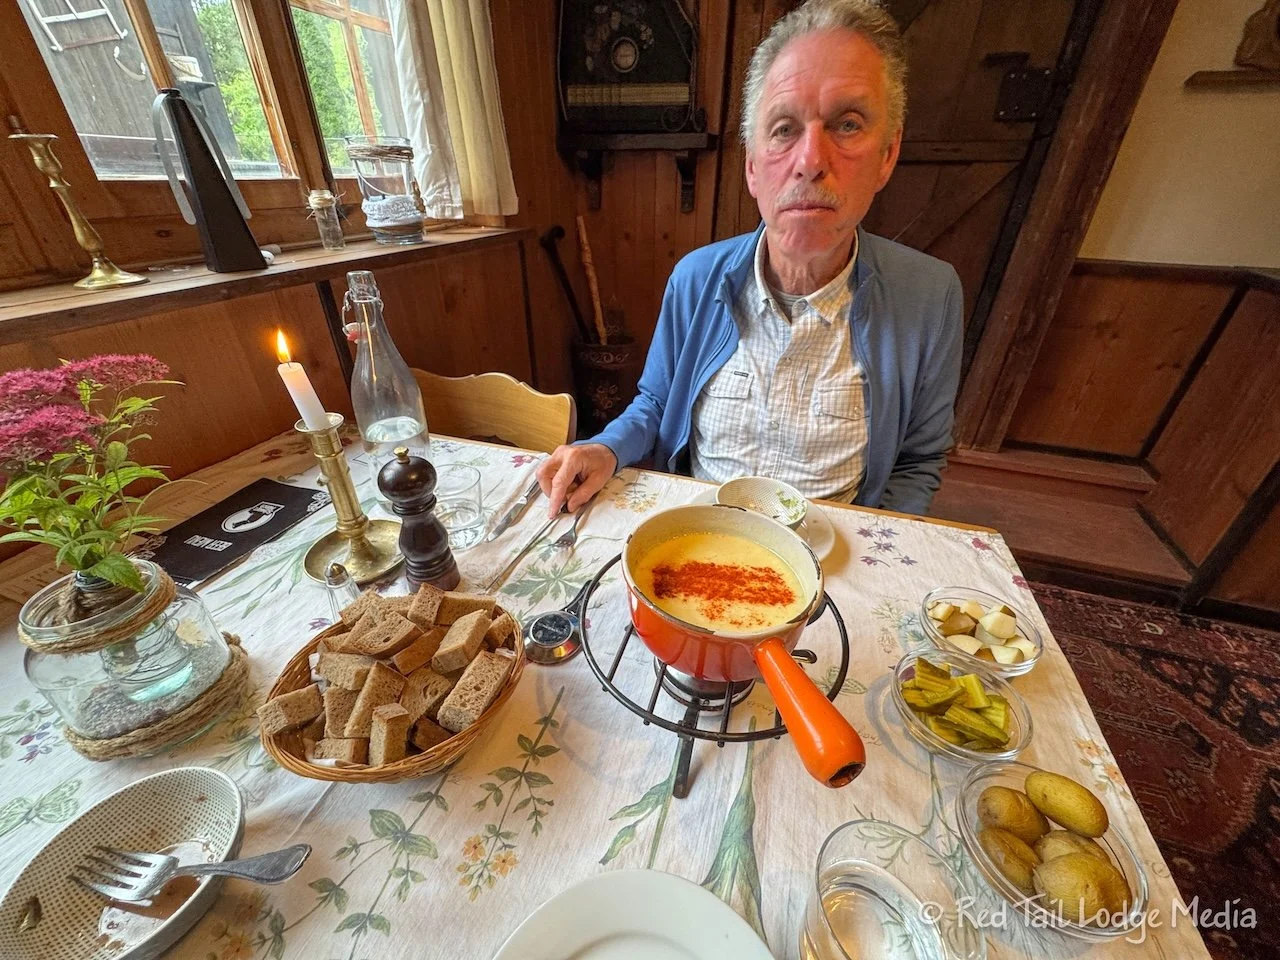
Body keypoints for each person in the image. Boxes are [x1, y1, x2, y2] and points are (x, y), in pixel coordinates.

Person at [539, 0, 962, 519]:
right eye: (784, 129)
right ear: (753, 167)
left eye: (847, 124)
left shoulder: (932, 296)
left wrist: (870, 541)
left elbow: (919, 460)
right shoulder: (695, 278)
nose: (810, 161)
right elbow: (654, 404)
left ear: (887, 156)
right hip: (700, 533)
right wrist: (604, 447)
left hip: (835, 546)